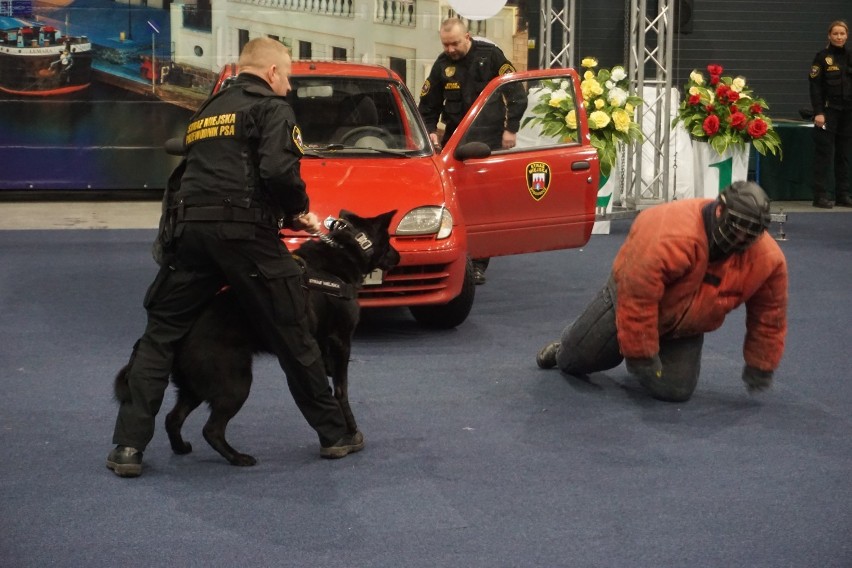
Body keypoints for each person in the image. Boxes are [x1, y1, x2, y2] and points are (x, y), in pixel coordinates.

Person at [106, 38, 362, 478]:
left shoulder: (208, 111)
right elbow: (279, 171)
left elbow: (186, 173)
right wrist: (298, 212)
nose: (288, 86)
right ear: (272, 73)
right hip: (246, 236)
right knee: (293, 331)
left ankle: (127, 448)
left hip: (189, 235)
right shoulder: (273, 108)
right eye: (288, 77)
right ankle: (335, 435)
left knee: (160, 335)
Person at [535, 181, 788, 403]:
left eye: (751, 232)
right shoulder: (667, 232)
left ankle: (640, 352)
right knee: (576, 362)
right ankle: (564, 349)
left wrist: (761, 363)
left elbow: (770, 315)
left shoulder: (768, 259)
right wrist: (640, 352)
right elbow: (637, 297)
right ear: (720, 210)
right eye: (737, 226)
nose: (742, 237)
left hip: (685, 327)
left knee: (674, 391)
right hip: (626, 301)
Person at [418, 18, 525, 284]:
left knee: (484, 205)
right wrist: (430, 131)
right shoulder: (442, 65)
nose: (450, 49)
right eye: (446, 44)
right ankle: (458, 256)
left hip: (488, 141)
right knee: (458, 203)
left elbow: (516, 92)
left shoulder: (490, 56)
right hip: (457, 145)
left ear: (467, 36)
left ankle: (478, 263)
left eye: (455, 43)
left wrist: (511, 128)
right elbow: (427, 106)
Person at [808, 19, 852, 209]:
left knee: (844, 155)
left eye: (842, 34)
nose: (839, 37)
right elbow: (815, 87)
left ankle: (842, 194)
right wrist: (818, 112)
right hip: (828, 112)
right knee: (824, 155)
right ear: (829, 35)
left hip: (848, 113)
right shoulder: (821, 57)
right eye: (835, 33)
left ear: (847, 36)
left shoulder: (850, 56)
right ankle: (820, 196)